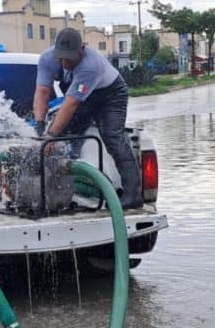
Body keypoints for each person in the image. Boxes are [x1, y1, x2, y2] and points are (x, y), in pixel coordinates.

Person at [32, 28, 142, 209]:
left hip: (110, 96)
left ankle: (132, 194)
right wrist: (40, 124)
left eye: (69, 58)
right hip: (81, 98)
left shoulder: (91, 65)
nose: (65, 62)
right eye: (61, 58)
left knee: (112, 137)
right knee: (67, 137)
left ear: (82, 49)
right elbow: (42, 91)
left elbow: (71, 104)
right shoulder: (47, 58)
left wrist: (51, 134)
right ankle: (63, 189)